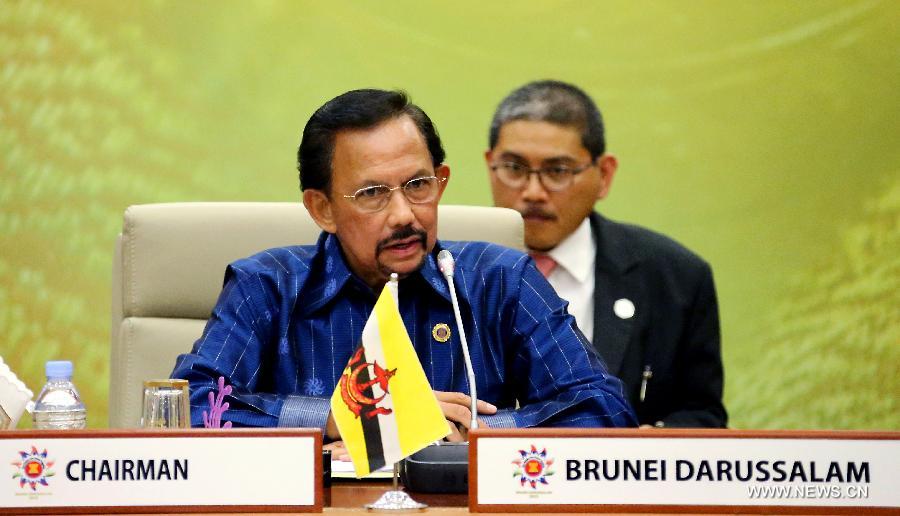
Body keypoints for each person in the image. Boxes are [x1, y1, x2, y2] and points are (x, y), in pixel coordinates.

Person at [171, 89, 636, 440]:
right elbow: (188, 409)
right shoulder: (268, 286)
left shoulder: (500, 279)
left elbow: (604, 410)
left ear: (442, 181)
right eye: (372, 194)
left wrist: (471, 432)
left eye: (418, 184)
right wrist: (346, 420)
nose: (404, 215)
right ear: (322, 208)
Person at [485, 80, 726, 428]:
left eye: (557, 171)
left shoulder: (675, 278)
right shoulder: (437, 268)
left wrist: (657, 444)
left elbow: (703, 415)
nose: (533, 192)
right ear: (490, 164)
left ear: (604, 175)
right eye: (514, 168)